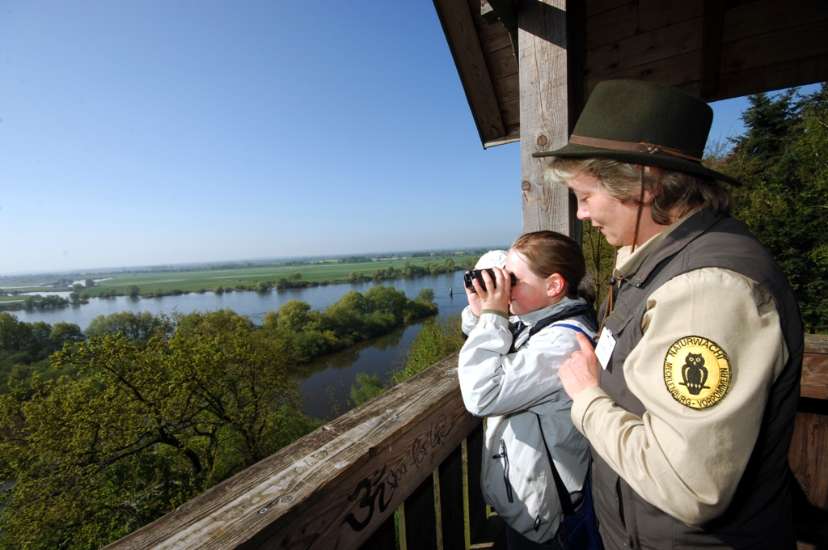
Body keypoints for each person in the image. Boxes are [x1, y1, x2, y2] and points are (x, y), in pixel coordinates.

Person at [534, 79, 804, 549]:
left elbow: (690, 486)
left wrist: (587, 396)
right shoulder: (662, 263)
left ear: (642, 182)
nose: (580, 214)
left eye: (586, 195)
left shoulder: (707, 290)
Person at [458, 232, 603, 550]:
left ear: (553, 286)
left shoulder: (562, 344)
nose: (505, 287)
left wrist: (494, 315)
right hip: (533, 502)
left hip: (549, 519)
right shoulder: (545, 319)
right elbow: (504, 338)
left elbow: (482, 393)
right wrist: (482, 311)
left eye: (512, 279)